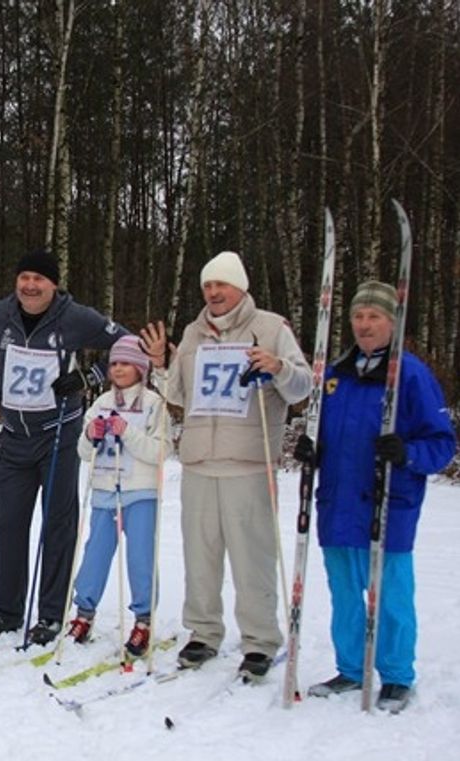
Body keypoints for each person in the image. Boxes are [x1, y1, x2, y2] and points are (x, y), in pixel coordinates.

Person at [141, 251, 311, 680]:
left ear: (240, 286)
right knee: (200, 555)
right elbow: (178, 395)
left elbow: (303, 384)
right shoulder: (193, 333)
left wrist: (277, 367)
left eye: (221, 285)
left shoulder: (271, 328)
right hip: (200, 460)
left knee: (251, 556)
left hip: (249, 461)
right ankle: (203, 632)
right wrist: (161, 364)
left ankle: (259, 640)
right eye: (207, 286)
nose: (213, 293)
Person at [294, 280, 455, 712]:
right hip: (338, 502)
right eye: (358, 317)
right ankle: (351, 667)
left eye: (374, 317)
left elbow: (442, 444)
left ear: (392, 322)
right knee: (344, 592)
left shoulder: (411, 374)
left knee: (388, 594)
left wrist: (408, 453)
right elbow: (323, 431)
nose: (364, 325)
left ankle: (398, 674)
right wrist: (311, 447)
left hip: (387, 503)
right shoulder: (335, 374)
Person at [0, 249, 128, 645]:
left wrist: (89, 377)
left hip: (57, 437)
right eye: (25, 278)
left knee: (57, 527)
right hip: (15, 438)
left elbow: (126, 343)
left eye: (39, 280)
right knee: (10, 528)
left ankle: (51, 615)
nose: (30, 286)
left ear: (54, 284)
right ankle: (8, 613)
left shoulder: (75, 318)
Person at [68, 334, 170, 656]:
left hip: (140, 492)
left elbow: (159, 451)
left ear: (141, 367)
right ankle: (84, 614)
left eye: (126, 362)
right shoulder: (101, 402)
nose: (118, 369)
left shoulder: (154, 403)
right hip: (103, 491)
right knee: (95, 555)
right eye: (113, 363)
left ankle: (143, 620)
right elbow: (84, 451)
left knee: (140, 557)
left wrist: (127, 431)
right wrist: (90, 434)